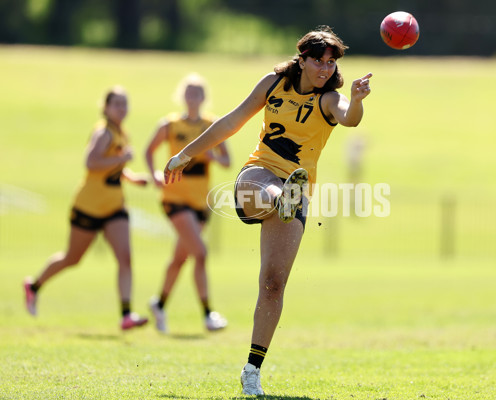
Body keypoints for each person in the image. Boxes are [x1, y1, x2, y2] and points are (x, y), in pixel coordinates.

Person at [163, 26, 372, 396]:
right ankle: (282, 197)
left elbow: (349, 118)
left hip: (298, 194)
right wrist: (185, 154)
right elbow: (230, 121)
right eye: (318, 61)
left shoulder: (329, 99)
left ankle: (252, 370)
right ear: (303, 59)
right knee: (267, 186)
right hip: (257, 176)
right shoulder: (274, 84)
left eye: (330, 63)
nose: (325, 69)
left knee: (273, 284)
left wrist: (356, 99)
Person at [23, 86, 149, 330]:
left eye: (125, 104)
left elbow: (112, 169)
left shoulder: (122, 133)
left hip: (114, 206)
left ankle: (126, 314)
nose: (122, 108)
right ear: (106, 107)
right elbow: (91, 162)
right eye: (117, 104)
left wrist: (133, 178)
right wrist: (122, 159)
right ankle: (34, 286)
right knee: (72, 258)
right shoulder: (103, 132)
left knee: (125, 257)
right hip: (89, 206)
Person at [145, 73, 231, 333]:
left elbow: (227, 161)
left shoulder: (212, 125)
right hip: (175, 198)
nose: (193, 97)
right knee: (201, 254)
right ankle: (208, 314)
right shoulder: (169, 125)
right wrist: (154, 175)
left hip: (200, 203)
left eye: (198, 92)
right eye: (189, 92)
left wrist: (211, 156)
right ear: (182, 96)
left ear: (204, 97)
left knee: (180, 259)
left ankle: (159, 304)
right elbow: (149, 151)